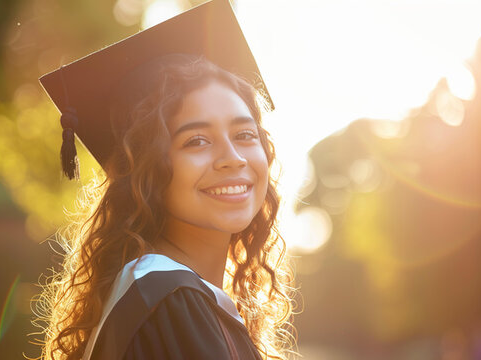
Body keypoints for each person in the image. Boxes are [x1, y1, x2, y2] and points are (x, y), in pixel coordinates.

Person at [36, 1, 295, 359]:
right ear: (144, 167)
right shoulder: (172, 300)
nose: (233, 158)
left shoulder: (160, 294)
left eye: (245, 135)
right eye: (197, 141)